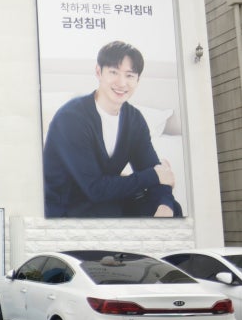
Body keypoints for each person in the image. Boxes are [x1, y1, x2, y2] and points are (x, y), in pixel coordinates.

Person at [43, 40, 182, 218]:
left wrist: (164, 204)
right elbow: (95, 189)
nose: (121, 83)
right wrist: (153, 175)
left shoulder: (134, 120)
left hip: (107, 198)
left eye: (129, 75)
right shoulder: (71, 118)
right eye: (114, 72)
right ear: (98, 72)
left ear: (138, 80)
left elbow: (158, 172)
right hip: (68, 206)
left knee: (172, 207)